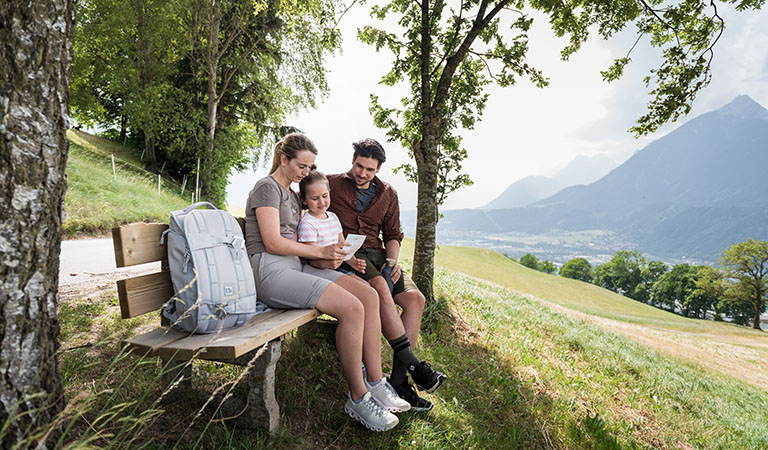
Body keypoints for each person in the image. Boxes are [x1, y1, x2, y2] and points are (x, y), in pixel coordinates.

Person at [245, 133, 409, 431]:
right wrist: (320, 252)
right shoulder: (267, 188)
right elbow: (272, 242)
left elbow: (313, 229)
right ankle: (358, 398)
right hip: (271, 270)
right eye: (302, 166)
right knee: (352, 308)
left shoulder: (293, 195)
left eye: (310, 167)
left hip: (297, 267)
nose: (305, 173)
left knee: (369, 296)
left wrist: (334, 256)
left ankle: (375, 382)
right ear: (284, 160)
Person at [328, 138, 447, 412]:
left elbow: (393, 234)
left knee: (416, 299)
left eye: (369, 169)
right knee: (380, 286)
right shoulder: (332, 184)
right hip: (350, 256)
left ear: (378, 169)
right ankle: (415, 365)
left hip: (380, 255)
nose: (362, 173)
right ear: (353, 161)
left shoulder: (388, 193)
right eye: (359, 166)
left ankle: (399, 381)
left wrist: (392, 261)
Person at [297, 170, 366, 275]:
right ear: (304, 200)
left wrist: (353, 262)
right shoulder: (308, 223)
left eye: (325, 196)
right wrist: (328, 264)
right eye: (315, 198)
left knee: (366, 287)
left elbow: (343, 246)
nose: (321, 202)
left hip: (336, 267)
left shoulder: (333, 217)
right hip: (319, 270)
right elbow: (310, 257)